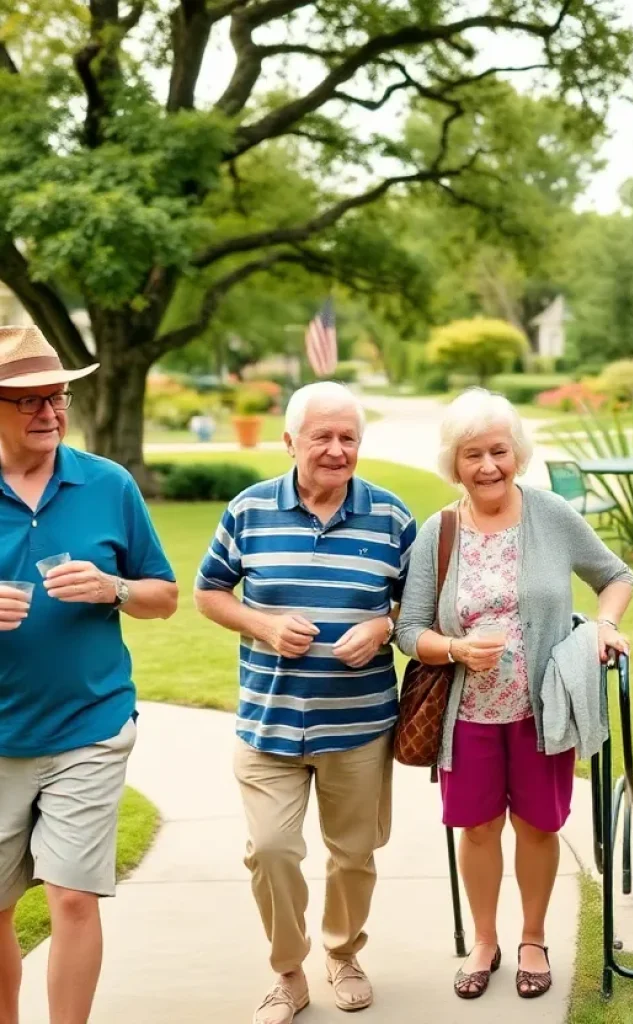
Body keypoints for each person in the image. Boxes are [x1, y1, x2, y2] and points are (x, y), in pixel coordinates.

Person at [395, 388, 633, 1001]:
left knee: (537, 826)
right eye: (472, 454)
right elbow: (407, 629)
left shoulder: (551, 514)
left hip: (542, 708)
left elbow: (616, 576)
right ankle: (484, 940)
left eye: (499, 450)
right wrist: (453, 650)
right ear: (455, 463)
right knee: (477, 829)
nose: (488, 466)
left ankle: (532, 938)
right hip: (467, 713)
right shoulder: (438, 532)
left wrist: (605, 624)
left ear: (517, 453)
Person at [195, 382, 416, 1023]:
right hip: (268, 720)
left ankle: (344, 954)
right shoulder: (249, 511)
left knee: (352, 854)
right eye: (322, 436)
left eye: (349, 437)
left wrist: (382, 628)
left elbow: (419, 610)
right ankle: (288, 973)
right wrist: (263, 625)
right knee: (269, 850)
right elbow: (210, 593)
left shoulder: (392, 517)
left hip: (359, 724)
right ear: (290, 441)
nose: (337, 450)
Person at [0, 324, 178, 1024]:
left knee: (72, 895)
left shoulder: (109, 485)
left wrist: (114, 588)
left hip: (90, 726)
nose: (49, 412)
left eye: (59, 397)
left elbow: (163, 594)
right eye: (28, 401)